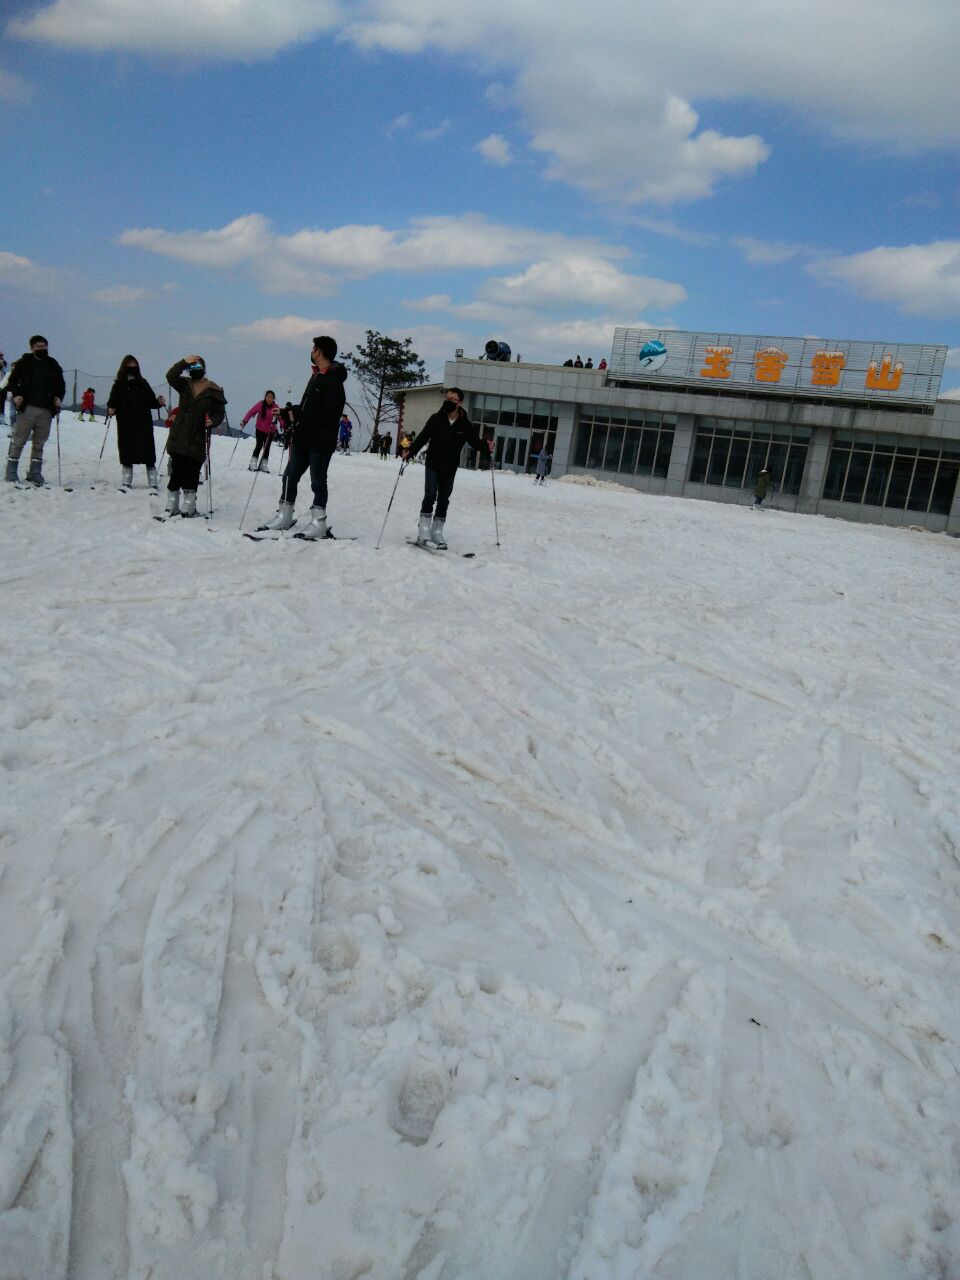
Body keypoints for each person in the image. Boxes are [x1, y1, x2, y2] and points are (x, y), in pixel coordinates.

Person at [260, 335, 346, 538]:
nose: (311, 352)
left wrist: (297, 414)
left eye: (314, 348)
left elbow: (328, 414)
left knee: (317, 481)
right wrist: (286, 412)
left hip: (321, 442)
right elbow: (307, 408)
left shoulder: (333, 380)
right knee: (290, 476)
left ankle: (318, 522)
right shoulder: (316, 376)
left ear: (320, 351)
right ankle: (285, 515)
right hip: (303, 438)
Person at [403, 387, 490, 548]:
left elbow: (475, 443)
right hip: (433, 464)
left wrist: (486, 446)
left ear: (459, 403)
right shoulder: (436, 419)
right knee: (430, 495)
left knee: (444, 499)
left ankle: (436, 532)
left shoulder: (465, 424)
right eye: (447, 399)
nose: (448, 402)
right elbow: (423, 437)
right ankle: (423, 529)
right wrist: (410, 451)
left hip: (450, 467)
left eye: (452, 399)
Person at [163, 354, 226, 517]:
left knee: (192, 470)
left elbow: (219, 413)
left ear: (204, 369)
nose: (194, 370)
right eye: (192, 367)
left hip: (198, 437)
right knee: (176, 469)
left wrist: (212, 421)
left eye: (198, 367)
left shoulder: (213, 389)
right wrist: (184, 362)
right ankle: (172, 505)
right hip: (180, 434)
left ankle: (188, 507)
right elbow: (170, 376)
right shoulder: (184, 384)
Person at [5, 335, 65, 485]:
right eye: (38, 346)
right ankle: (11, 470)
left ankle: (35, 472)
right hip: (28, 407)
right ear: (32, 348)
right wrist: (17, 394)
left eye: (44, 346)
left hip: (46, 409)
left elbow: (61, 385)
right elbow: (12, 380)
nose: (42, 348)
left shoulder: (53, 364)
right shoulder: (24, 362)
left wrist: (58, 397)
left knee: (39, 442)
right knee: (19, 439)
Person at [107, 355, 165, 491]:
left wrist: (159, 402)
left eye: (134, 364)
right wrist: (111, 408)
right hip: (125, 424)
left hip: (143, 423)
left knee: (148, 453)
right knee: (126, 452)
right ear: (124, 366)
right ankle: (126, 482)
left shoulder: (143, 383)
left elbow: (152, 402)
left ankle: (152, 483)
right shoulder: (119, 384)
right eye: (129, 364)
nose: (132, 367)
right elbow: (112, 401)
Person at [241, 390, 281, 472]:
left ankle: (263, 465)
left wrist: (284, 426)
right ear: (265, 397)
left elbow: (280, 418)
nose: (269, 399)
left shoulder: (276, 407)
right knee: (259, 445)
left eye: (271, 397)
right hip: (260, 429)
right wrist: (245, 421)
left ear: (274, 399)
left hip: (270, 431)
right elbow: (251, 411)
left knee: (267, 448)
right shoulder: (260, 404)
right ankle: (253, 464)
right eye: (267, 397)